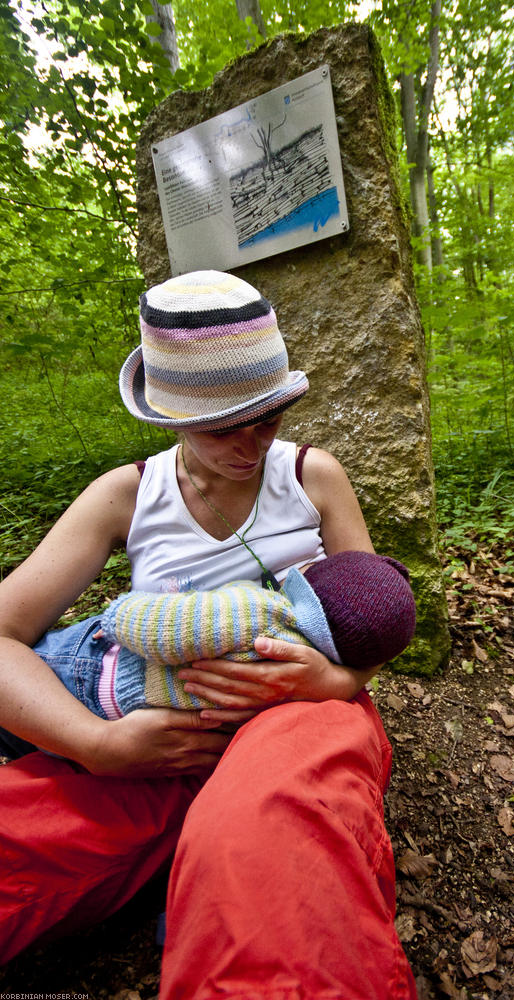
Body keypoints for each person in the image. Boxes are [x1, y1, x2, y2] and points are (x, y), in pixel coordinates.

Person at [0, 269, 418, 998]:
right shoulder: (124, 496)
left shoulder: (314, 477)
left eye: (269, 416)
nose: (251, 442)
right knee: (30, 836)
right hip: (155, 734)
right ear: (165, 417)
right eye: (223, 424)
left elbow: (372, 614)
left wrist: (336, 682)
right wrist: (96, 746)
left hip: (301, 718)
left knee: (272, 838)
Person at [39, 550, 416, 716]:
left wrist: (118, 613)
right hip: (139, 709)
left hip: (97, 669)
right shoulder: (300, 665)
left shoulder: (263, 614)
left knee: (36, 661)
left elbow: (169, 632)